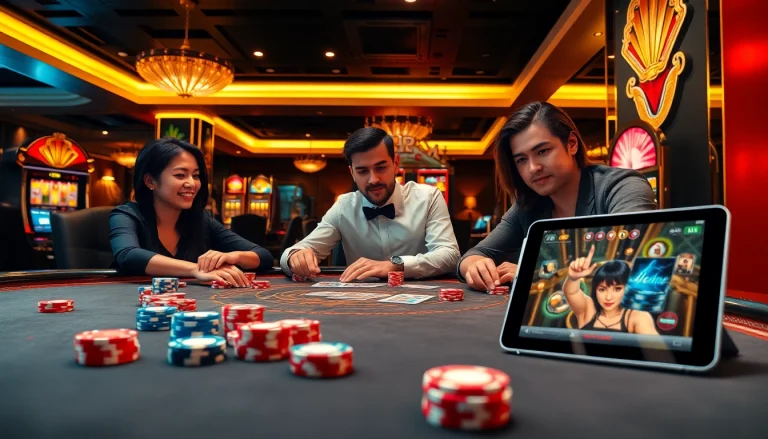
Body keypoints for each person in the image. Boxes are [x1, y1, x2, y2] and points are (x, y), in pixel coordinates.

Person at [458, 102, 657, 291]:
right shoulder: (527, 205)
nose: (533, 167)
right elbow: (474, 256)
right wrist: (476, 266)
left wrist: (536, 274)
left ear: (571, 144)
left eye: (542, 151)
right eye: (521, 159)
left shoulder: (622, 186)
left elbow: (631, 260)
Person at [280, 127, 460, 281]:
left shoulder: (428, 197)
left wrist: (395, 265)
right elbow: (295, 252)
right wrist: (295, 257)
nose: (373, 179)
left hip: (423, 298)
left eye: (381, 167)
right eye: (362, 171)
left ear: (396, 164)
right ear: (352, 173)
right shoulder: (343, 207)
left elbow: (449, 255)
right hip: (359, 303)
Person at [110, 137, 273, 286]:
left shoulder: (202, 220)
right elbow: (128, 256)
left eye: (195, 176)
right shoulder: (126, 215)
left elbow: (264, 256)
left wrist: (233, 256)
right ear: (150, 181)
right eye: (180, 175)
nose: (192, 184)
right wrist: (196, 269)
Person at [562, 246, 658, 335]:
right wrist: (573, 278)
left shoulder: (637, 316)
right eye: (602, 289)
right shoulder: (589, 309)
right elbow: (571, 292)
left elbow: (655, 346)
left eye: (617, 289)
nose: (608, 297)